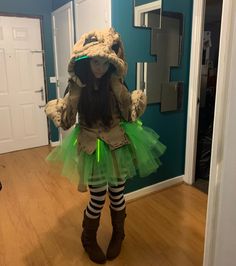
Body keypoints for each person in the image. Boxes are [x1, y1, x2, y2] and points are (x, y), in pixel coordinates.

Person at [45, 28, 166, 264]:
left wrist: (135, 104)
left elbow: (128, 116)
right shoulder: (77, 86)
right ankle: (88, 238)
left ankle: (118, 234)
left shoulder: (116, 84)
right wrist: (58, 111)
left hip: (116, 142)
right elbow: (68, 122)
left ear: (110, 63)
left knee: (118, 195)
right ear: (87, 62)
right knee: (98, 197)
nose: (99, 68)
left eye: (103, 63)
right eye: (95, 63)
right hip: (94, 146)